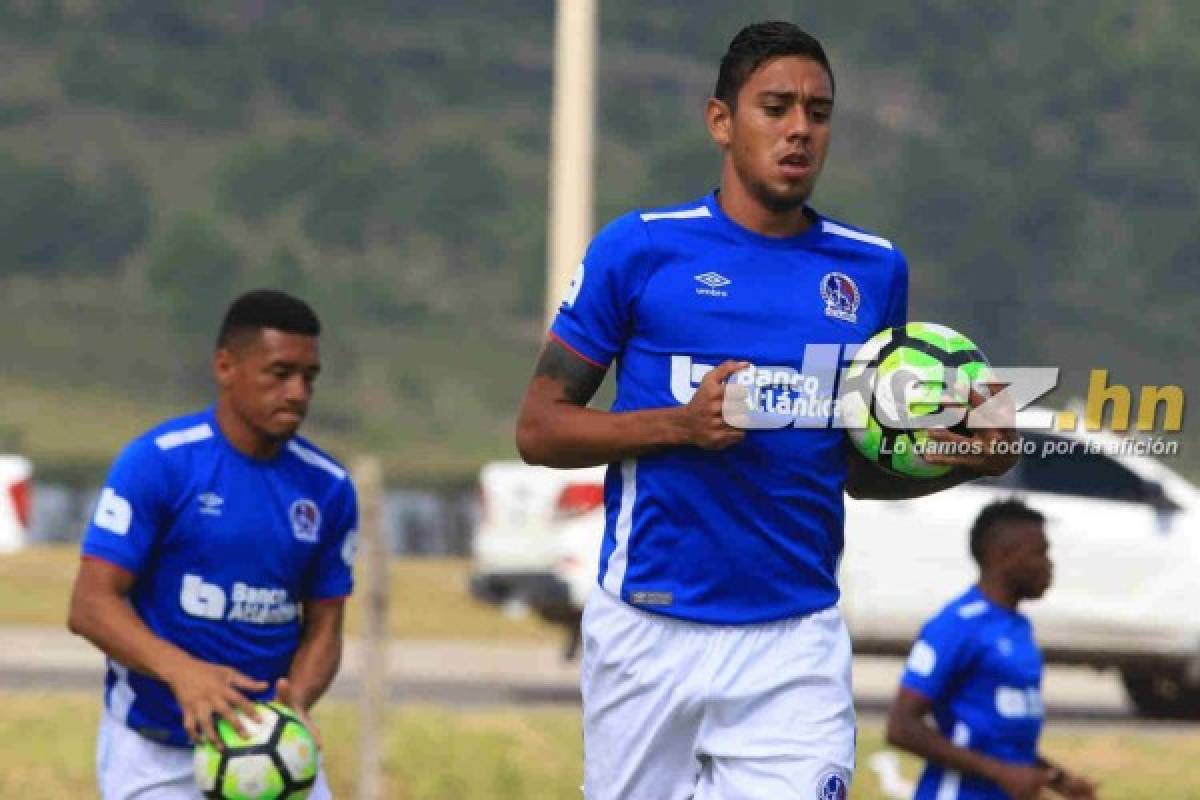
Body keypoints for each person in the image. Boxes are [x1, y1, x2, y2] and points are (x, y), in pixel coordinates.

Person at [516, 20, 1017, 800]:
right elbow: (540, 427)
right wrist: (679, 426)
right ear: (722, 121)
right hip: (649, 630)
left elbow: (857, 467)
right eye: (775, 107)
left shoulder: (873, 269)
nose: (799, 130)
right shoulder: (640, 250)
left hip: (795, 642)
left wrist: (962, 457)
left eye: (817, 113)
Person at [67, 290, 358, 799]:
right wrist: (183, 673)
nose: (297, 393)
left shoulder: (328, 487)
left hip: (270, 746)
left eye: (309, 378)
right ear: (226, 367)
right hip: (156, 751)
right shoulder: (158, 463)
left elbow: (325, 623)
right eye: (280, 373)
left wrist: (298, 703)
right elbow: (90, 605)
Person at [886, 500, 1098, 800]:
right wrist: (1001, 774)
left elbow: (1000, 741)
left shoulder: (1018, 626)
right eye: (1040, 552)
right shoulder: (957, 626)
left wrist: (1060, 781)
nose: (1050, 564)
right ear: (1004, 556)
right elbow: (901, 727)